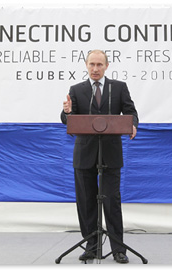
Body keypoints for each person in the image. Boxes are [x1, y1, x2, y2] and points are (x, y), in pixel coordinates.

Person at [60, 50, 138, 264]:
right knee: (86, 202)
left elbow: (131, 112)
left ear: (107, 66)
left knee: (111, 201)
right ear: (86, 65)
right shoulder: (76, 90)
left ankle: (118, 249)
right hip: (84, 154)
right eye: (92, 64)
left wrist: (133, 124)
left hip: (111, 153)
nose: (95, 69)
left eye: (99, 65)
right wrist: (67, 111)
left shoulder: (119, 88)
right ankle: (91, 247)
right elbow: (69, 120)